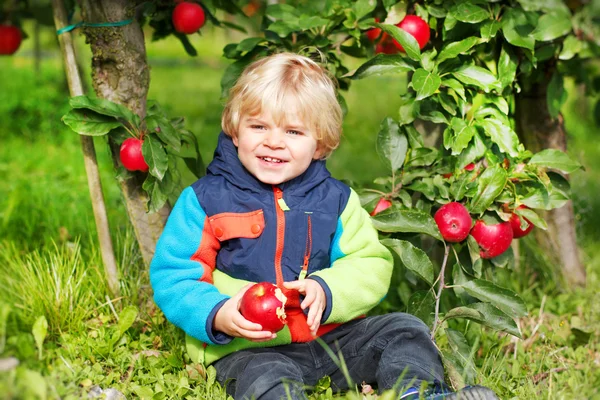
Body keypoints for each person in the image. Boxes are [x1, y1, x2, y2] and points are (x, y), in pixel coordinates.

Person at [150, 52, 497, 400]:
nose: (273, 141)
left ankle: (419, 395)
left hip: (332, 338)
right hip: (249, 346)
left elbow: (371, 263)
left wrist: (327, 288)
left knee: (404, 330)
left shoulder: (336, 201)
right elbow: (174, 274)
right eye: (258, 126)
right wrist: (218, 312)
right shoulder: (206, 200)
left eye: (293, 131)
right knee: (264, 379)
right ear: (235, 131)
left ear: (321, 144)